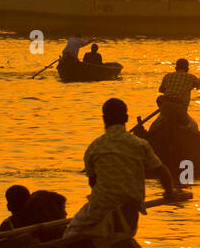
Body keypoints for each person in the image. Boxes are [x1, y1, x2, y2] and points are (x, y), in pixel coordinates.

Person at [65, 97, 173, 238]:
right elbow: (162, 171)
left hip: (99, 208)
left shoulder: (94, 147)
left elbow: (93, 182)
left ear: (104, 119)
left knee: (69, 234)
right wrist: (169, 193)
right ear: (126, 118)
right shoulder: (140, 144)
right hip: (129, 212)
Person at [158, 58, 200, 128]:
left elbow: (161, 90)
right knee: (194, 125)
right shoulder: (191, 77)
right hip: (179, 109)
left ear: (176, 67)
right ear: (187, 68)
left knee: (158, 123)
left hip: (164, 106)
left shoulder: (167, 76)